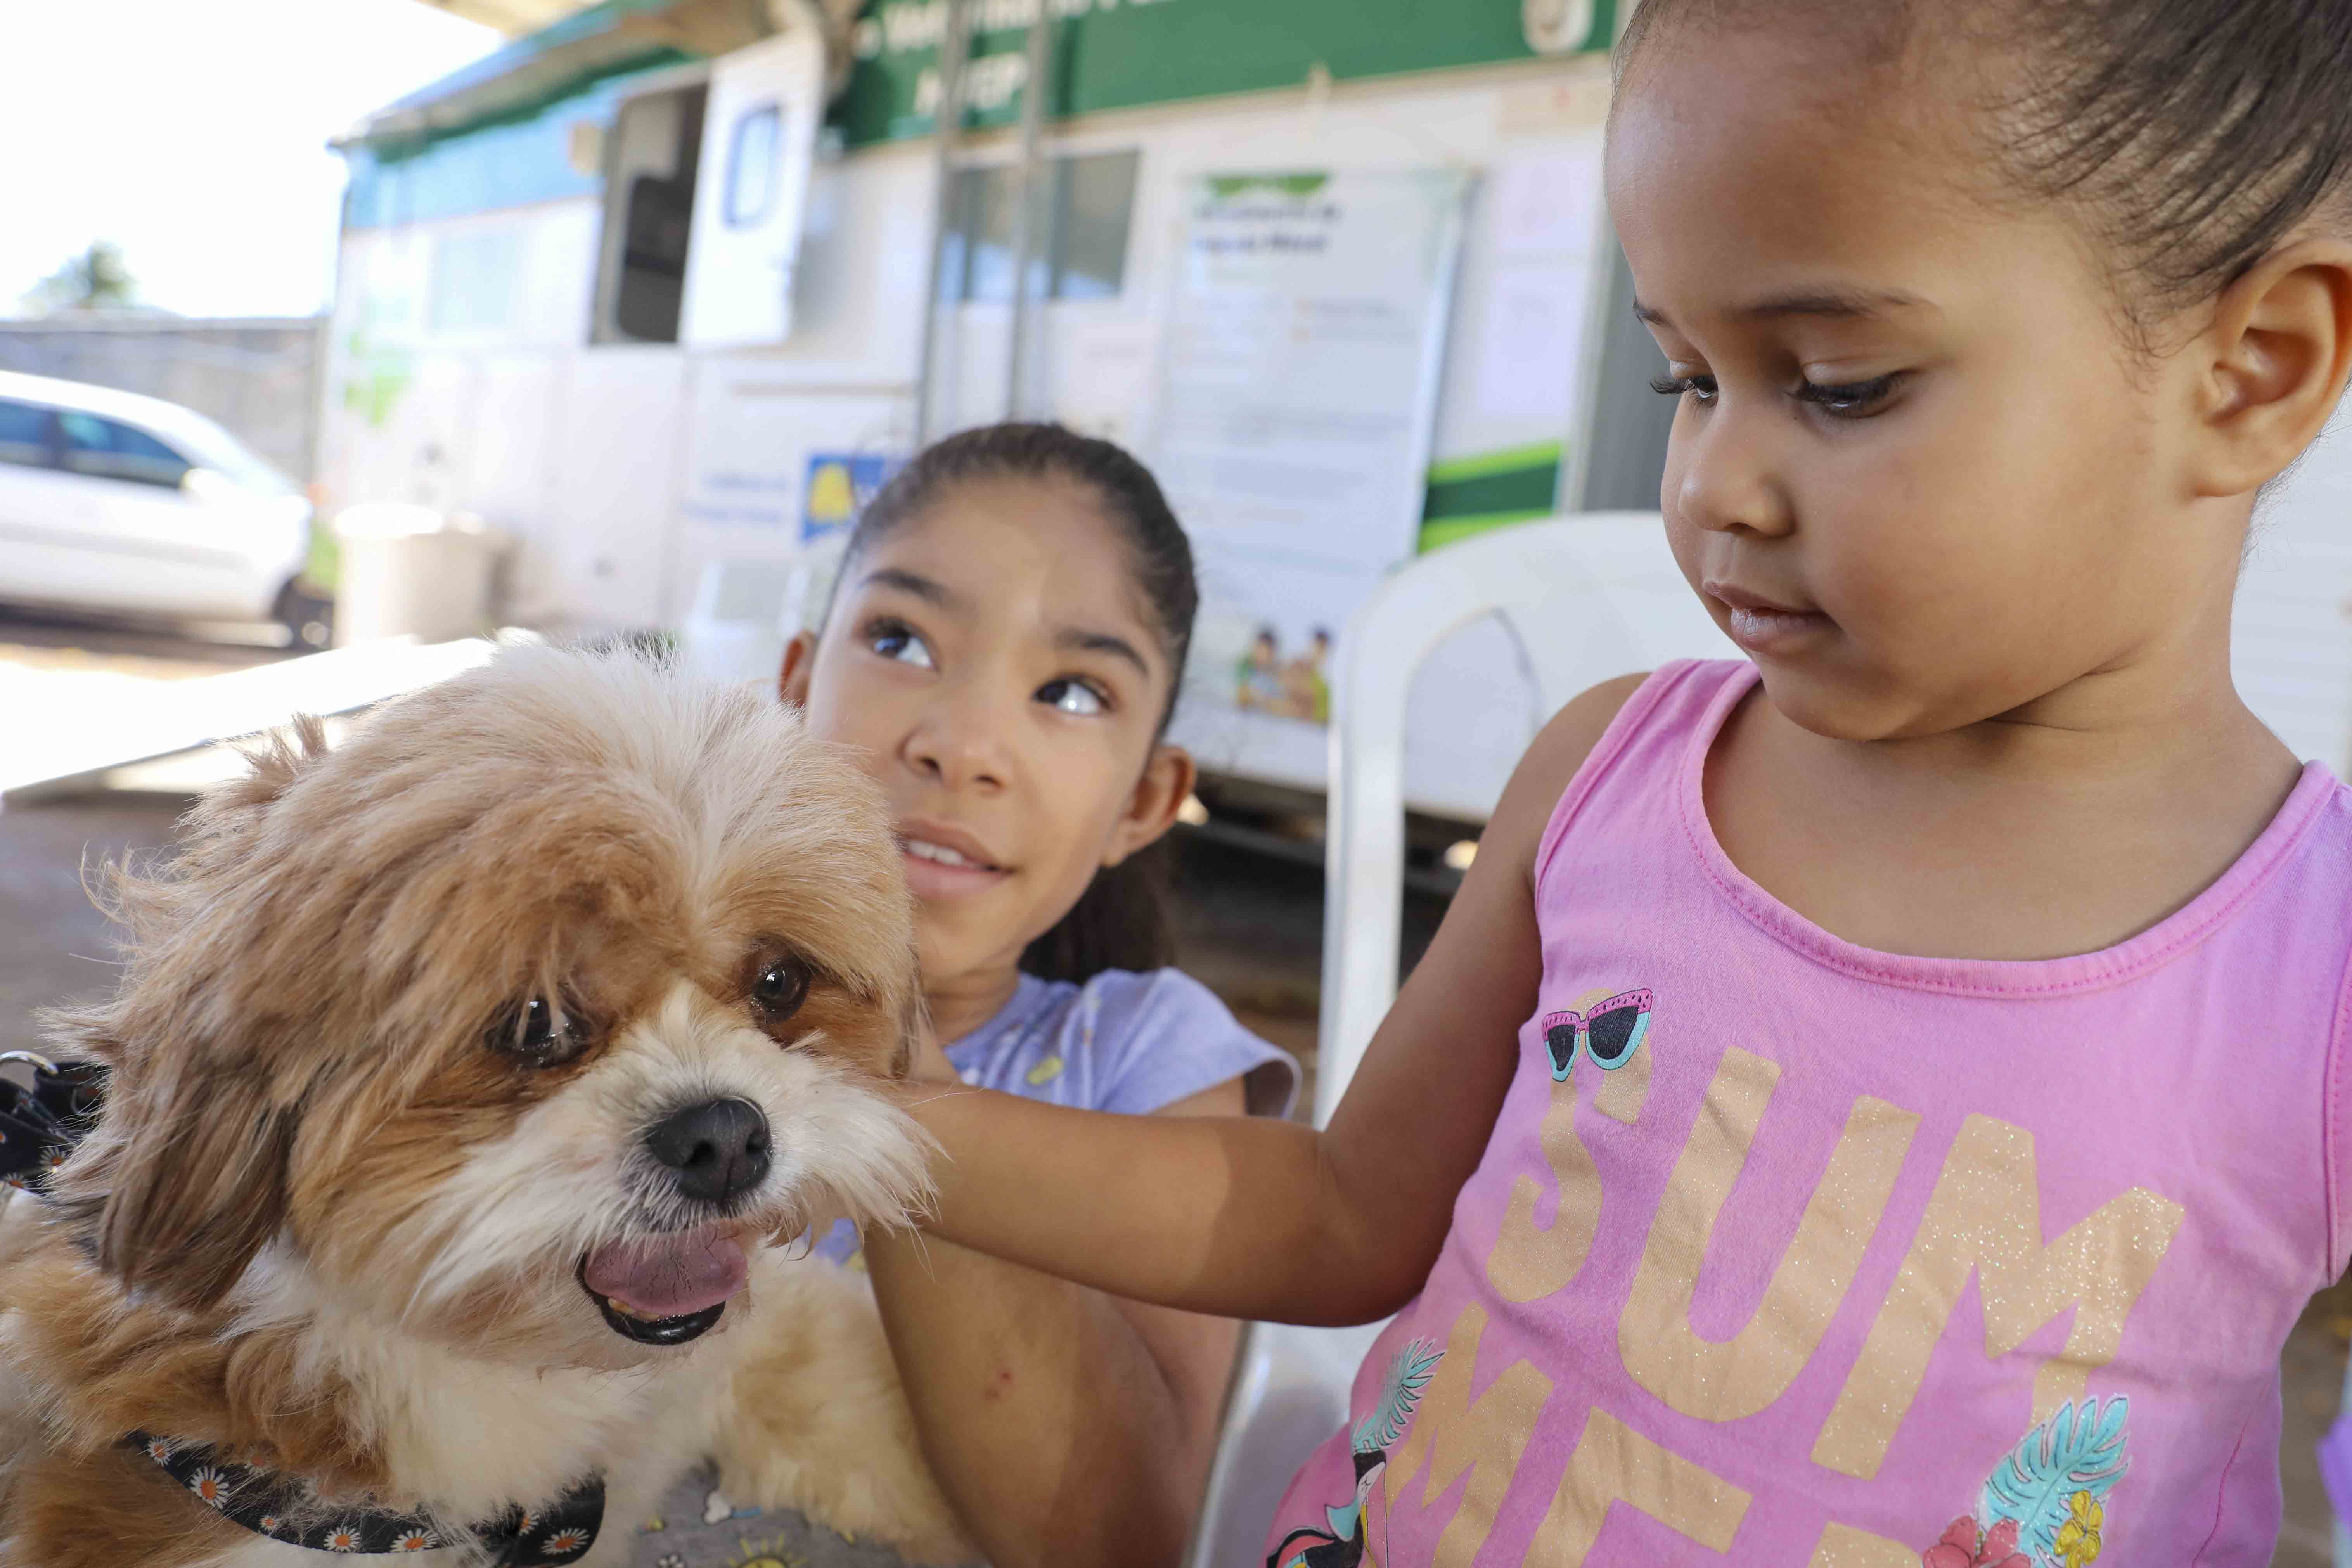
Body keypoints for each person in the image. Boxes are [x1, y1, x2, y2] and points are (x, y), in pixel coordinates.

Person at [891, 3, 2352, 1562]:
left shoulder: (2313, 967)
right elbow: (1336, 1214)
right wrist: (855, 1124)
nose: (1713, 483)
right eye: (1685, 381)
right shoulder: (1609, 776)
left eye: (1840, 382)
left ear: (2252, 372)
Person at [630, 423, 1296, 1568]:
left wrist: (900, 1067)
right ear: (795, 685)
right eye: (900, 637)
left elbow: (1122, 1540)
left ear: (1148, 797)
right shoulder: (641, 1007)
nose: (966, 744)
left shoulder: (1151, 1060)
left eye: (1074, 692)